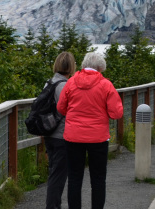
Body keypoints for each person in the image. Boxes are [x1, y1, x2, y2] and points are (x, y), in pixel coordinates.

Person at [57, 52, 124, 209]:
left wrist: (75, 118)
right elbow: (116, 113)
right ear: (100, 68)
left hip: (73, 136)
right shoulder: (106, 85)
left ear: (83, 65)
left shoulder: (71, 82)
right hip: (98, 138)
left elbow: (61, 107)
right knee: (98, 179)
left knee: (74, 177)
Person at [45, 52, 77, 209]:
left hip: (49, 134)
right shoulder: (66, 86)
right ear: (71, 67)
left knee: (53, 172)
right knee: (58, 176)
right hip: (61, 135)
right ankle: (53, 206)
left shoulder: (49, 83)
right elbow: (69, 110)